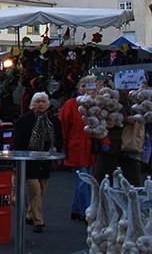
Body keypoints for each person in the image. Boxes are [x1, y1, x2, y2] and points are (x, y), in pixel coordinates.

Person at [13, 92, 63, 233]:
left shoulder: (54, 121)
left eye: (43, 101)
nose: (41, 104)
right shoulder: (24, 121)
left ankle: (30, 215)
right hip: (29, 161)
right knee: (35, 190)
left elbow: (59, 138)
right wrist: (16, 163)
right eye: (38, 101)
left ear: (47, 104)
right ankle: (38, 221)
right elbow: (17, 143)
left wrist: (56, 147)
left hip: (45, 160)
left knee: (41, 190)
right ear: (32, 105)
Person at [59, 78, 95, 222]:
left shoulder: (95, 105)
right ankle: (87, 212)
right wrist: (63, 146)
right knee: (84, 182)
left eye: (89, 86)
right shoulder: (70, 105)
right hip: (76, 148)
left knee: (85, 182)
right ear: (78, 87)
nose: (86, 89)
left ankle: (76, 209)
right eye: (83, 86)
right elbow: (63, 126)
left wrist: (104, 142)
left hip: (90, 148)